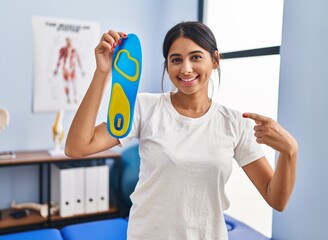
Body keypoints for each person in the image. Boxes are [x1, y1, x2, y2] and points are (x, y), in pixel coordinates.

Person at [65, 21, 298, 240]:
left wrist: (290, 152)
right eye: (176, 60)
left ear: (215, 60)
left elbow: (275, 199)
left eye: (196, 57)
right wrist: (102, 72)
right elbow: (77, 147)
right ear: (167, 66)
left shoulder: (234, 123)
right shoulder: (145, 108)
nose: (186, 69)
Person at [53, 37, 85, 104]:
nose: (68, 43)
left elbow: (78, 60)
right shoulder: (63, 50)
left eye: (69, 41)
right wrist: (56, 69)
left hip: (72, 68)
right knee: (66, 84)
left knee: (74, 84)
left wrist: (81, 70)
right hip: (65, 68)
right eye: (67, 41)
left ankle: (75, 98)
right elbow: (59, 59)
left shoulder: (74, 50)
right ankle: (68, 98)